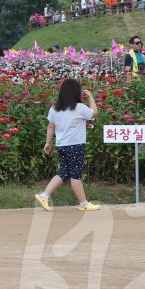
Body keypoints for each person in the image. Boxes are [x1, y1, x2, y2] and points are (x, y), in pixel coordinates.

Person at [35, 79, 100, 211]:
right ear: (77, 92)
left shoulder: (54, 108)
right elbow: (94, 113)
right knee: (75, 175)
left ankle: (44, 195)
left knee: (63, 173)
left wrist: (48, 143)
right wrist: (91, 97)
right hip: (75, 145)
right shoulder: (79, 108)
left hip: (61, 145)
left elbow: (50, 126)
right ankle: (83, 203)